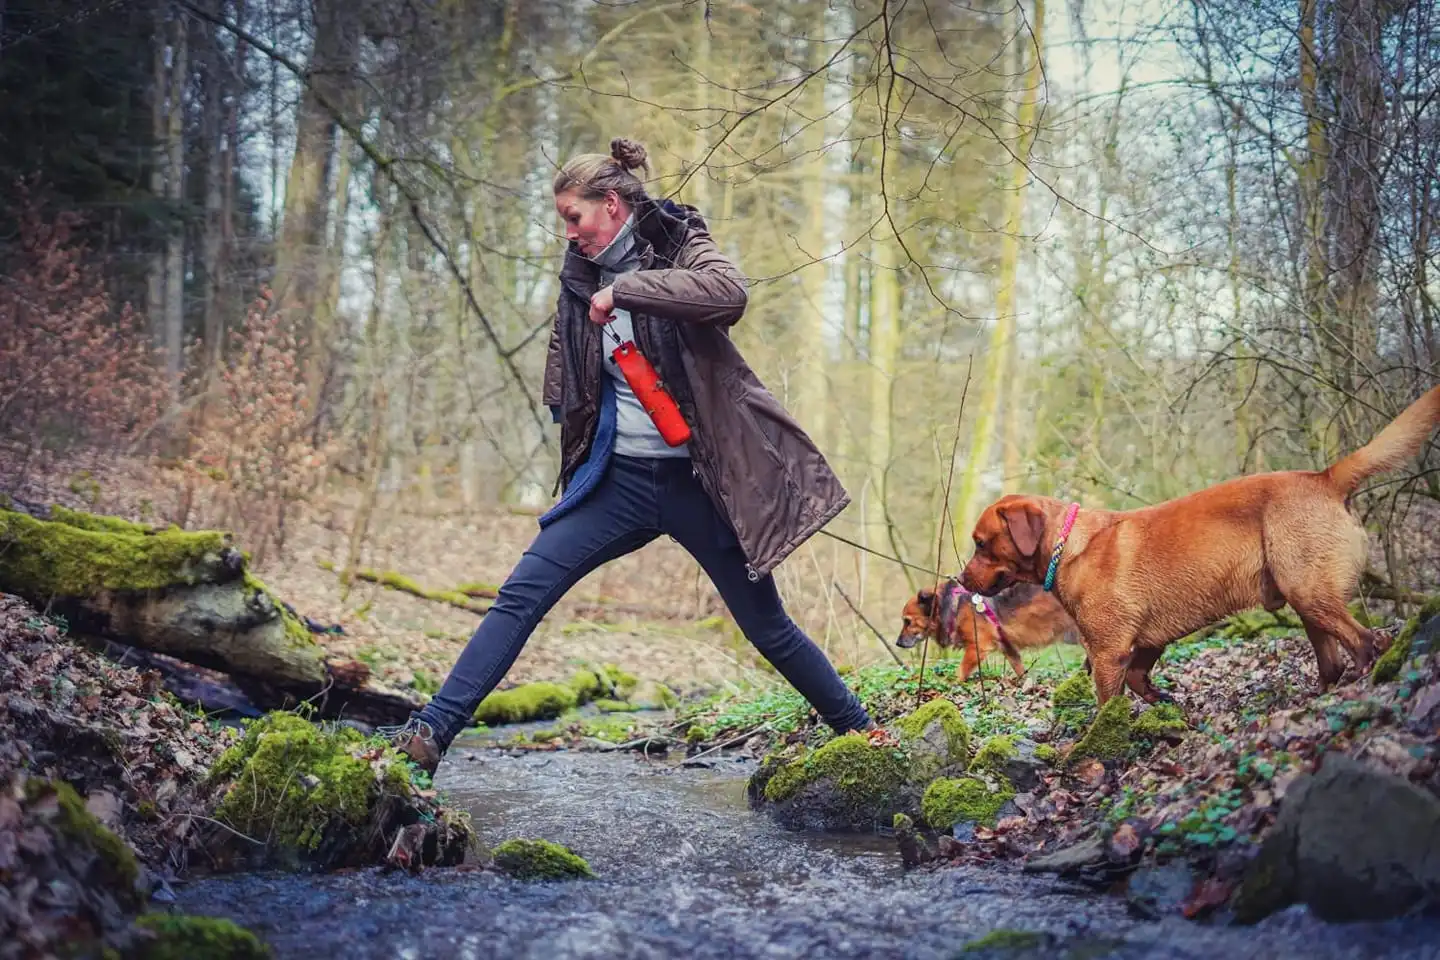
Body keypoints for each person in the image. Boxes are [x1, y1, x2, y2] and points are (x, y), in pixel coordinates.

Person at [386, 137, 872, 774]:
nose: (569, 232)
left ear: (610, 204)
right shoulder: (578, 272)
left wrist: (632, 291)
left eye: (574, 217)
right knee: (521, 594)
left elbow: (729, 295)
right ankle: (428, 737)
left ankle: (862, 732)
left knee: (768, 628)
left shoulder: (677, 239)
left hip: (703, 484)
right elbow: (572, 365)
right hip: (617, 483)